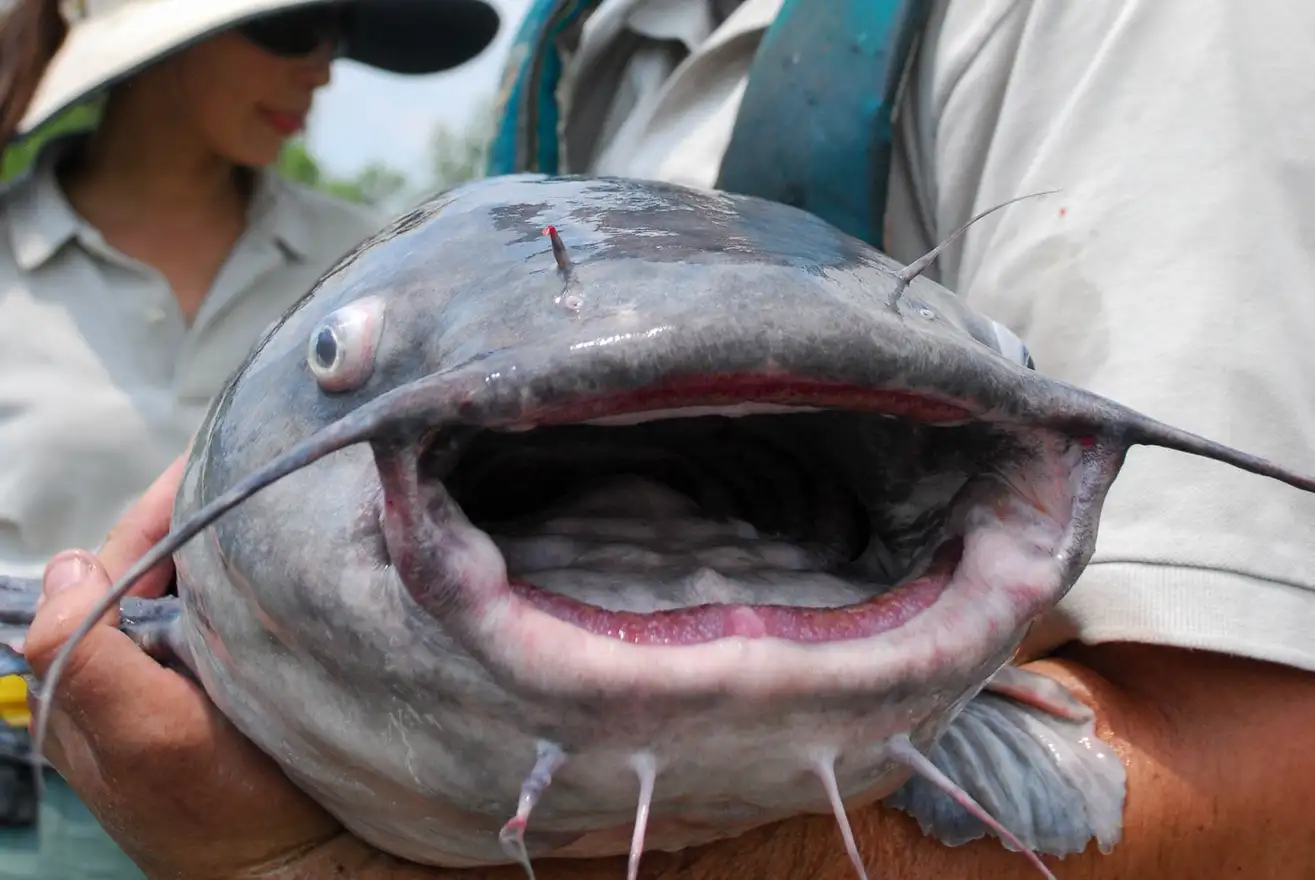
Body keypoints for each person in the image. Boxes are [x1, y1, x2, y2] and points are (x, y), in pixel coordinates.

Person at [15, 0, 1315, 878]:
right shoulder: (584, 47)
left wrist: (328, 860)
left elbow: (1273, 771)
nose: (321, 64)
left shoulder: (1143, 27)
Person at [0, 0, 500, 876]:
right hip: (27, 808)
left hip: (312, 801)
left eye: (340, 38)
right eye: (291, 28)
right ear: (163, 44)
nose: (322, 69)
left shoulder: (373, 271)